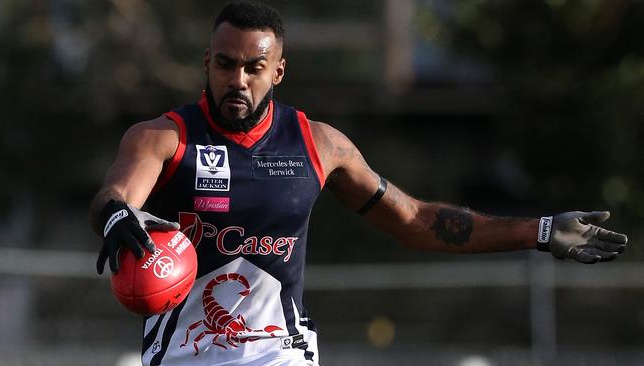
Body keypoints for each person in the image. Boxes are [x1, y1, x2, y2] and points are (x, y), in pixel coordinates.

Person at [90, 2, 629, 365]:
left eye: (254, 67)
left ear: (277, 71)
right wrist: (115, 216)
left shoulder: (320, 145)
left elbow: (414, 221)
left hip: (280, 355)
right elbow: (117, 195)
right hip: (185, 356)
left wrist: (537, 231)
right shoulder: (163, 137)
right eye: (226, 65)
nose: (238, 80)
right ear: (207, 63)